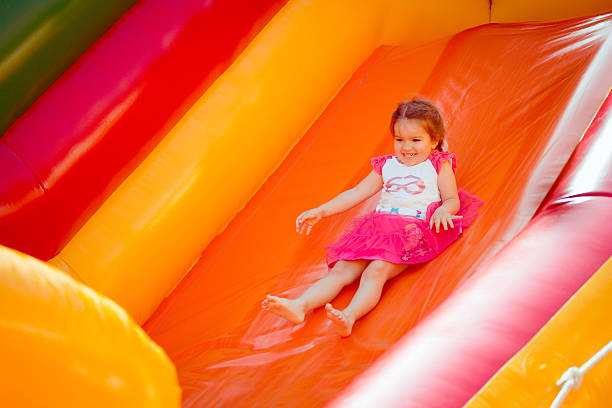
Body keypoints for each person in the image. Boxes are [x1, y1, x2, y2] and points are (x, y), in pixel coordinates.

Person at [261, 99, 482, 337]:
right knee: (341, 270)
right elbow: (355, 193)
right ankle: (300, 306)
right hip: (376, 230)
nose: (406, 147)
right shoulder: (386, 166)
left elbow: (451, 199)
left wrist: (443, 210)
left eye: (416, 140)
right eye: (399, 140)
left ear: (434, 141)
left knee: (375, 271)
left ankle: (349, 315)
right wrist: (322, 210)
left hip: (411, 231)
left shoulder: (438, 164)